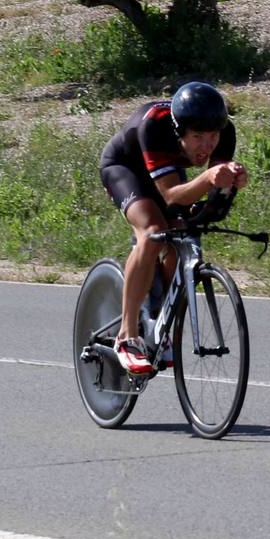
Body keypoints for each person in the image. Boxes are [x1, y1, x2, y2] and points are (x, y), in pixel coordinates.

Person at [97, 82, 248, 375]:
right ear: (180, 132)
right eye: (197, 137)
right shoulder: (154, 126)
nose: (207, 146)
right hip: (125, 169)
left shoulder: (225, 133)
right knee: (152, 229)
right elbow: (171, 195)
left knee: (180, 237)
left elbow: (211, 203)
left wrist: (231, 184)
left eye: (213, 137)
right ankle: (127, 335)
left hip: (165, 168)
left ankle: (158, 321)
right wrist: (208, 180)